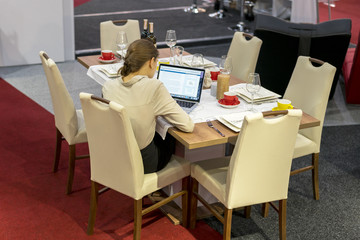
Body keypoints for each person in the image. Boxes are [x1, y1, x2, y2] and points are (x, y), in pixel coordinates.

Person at [102, 39, 194, 174]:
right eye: (156, 62)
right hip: (144, 162)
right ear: (151, 62)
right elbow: (187, 125)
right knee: (169, 133)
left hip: (115, 154)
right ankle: (165, 188)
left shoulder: (108, 86)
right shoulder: (154, 87)